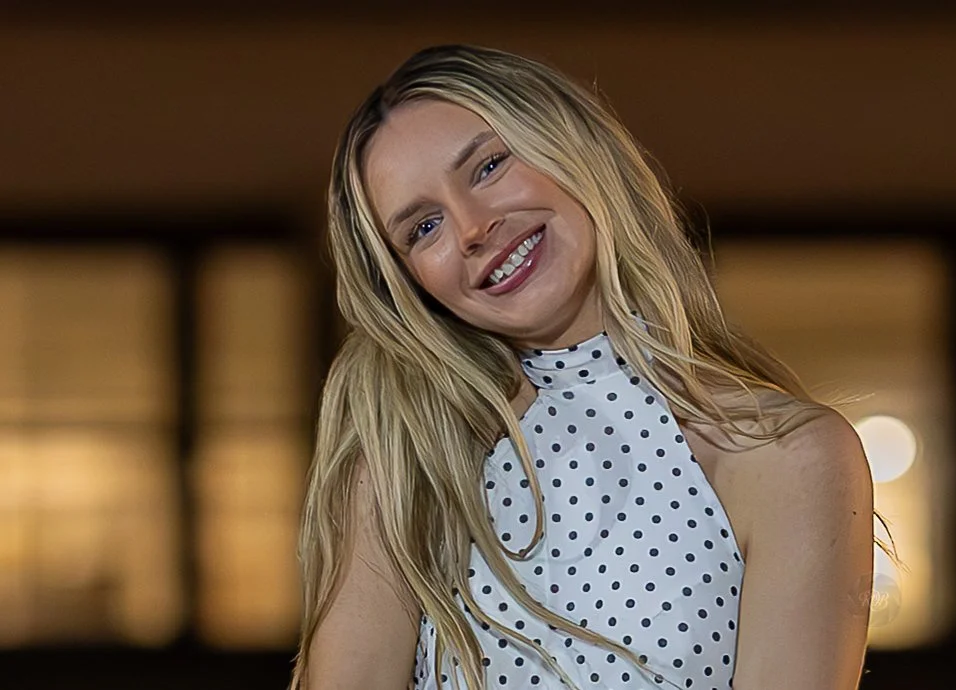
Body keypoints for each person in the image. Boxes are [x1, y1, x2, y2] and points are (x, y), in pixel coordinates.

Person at [291, 44, 884, 690]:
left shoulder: (788, 457)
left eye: (488, 166)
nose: (470, 228)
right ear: (408, 283)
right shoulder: (406, 461)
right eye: (423, 227)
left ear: (571, 146)